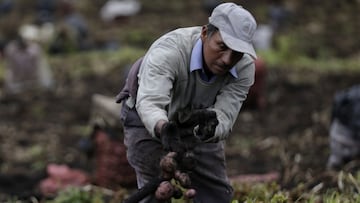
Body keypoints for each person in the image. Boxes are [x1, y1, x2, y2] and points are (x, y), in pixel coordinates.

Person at [116, 2, 257, 202]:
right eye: (222, 46)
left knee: (217, 195)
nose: (227, 59)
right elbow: (150, 102)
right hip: (146, 117)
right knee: (157, 192)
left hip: (195, 121)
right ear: (205, 33)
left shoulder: (244, 69)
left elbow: (225, 115)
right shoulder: (170, 52)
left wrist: (209, 130)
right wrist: (163, 128)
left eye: (237, 53)